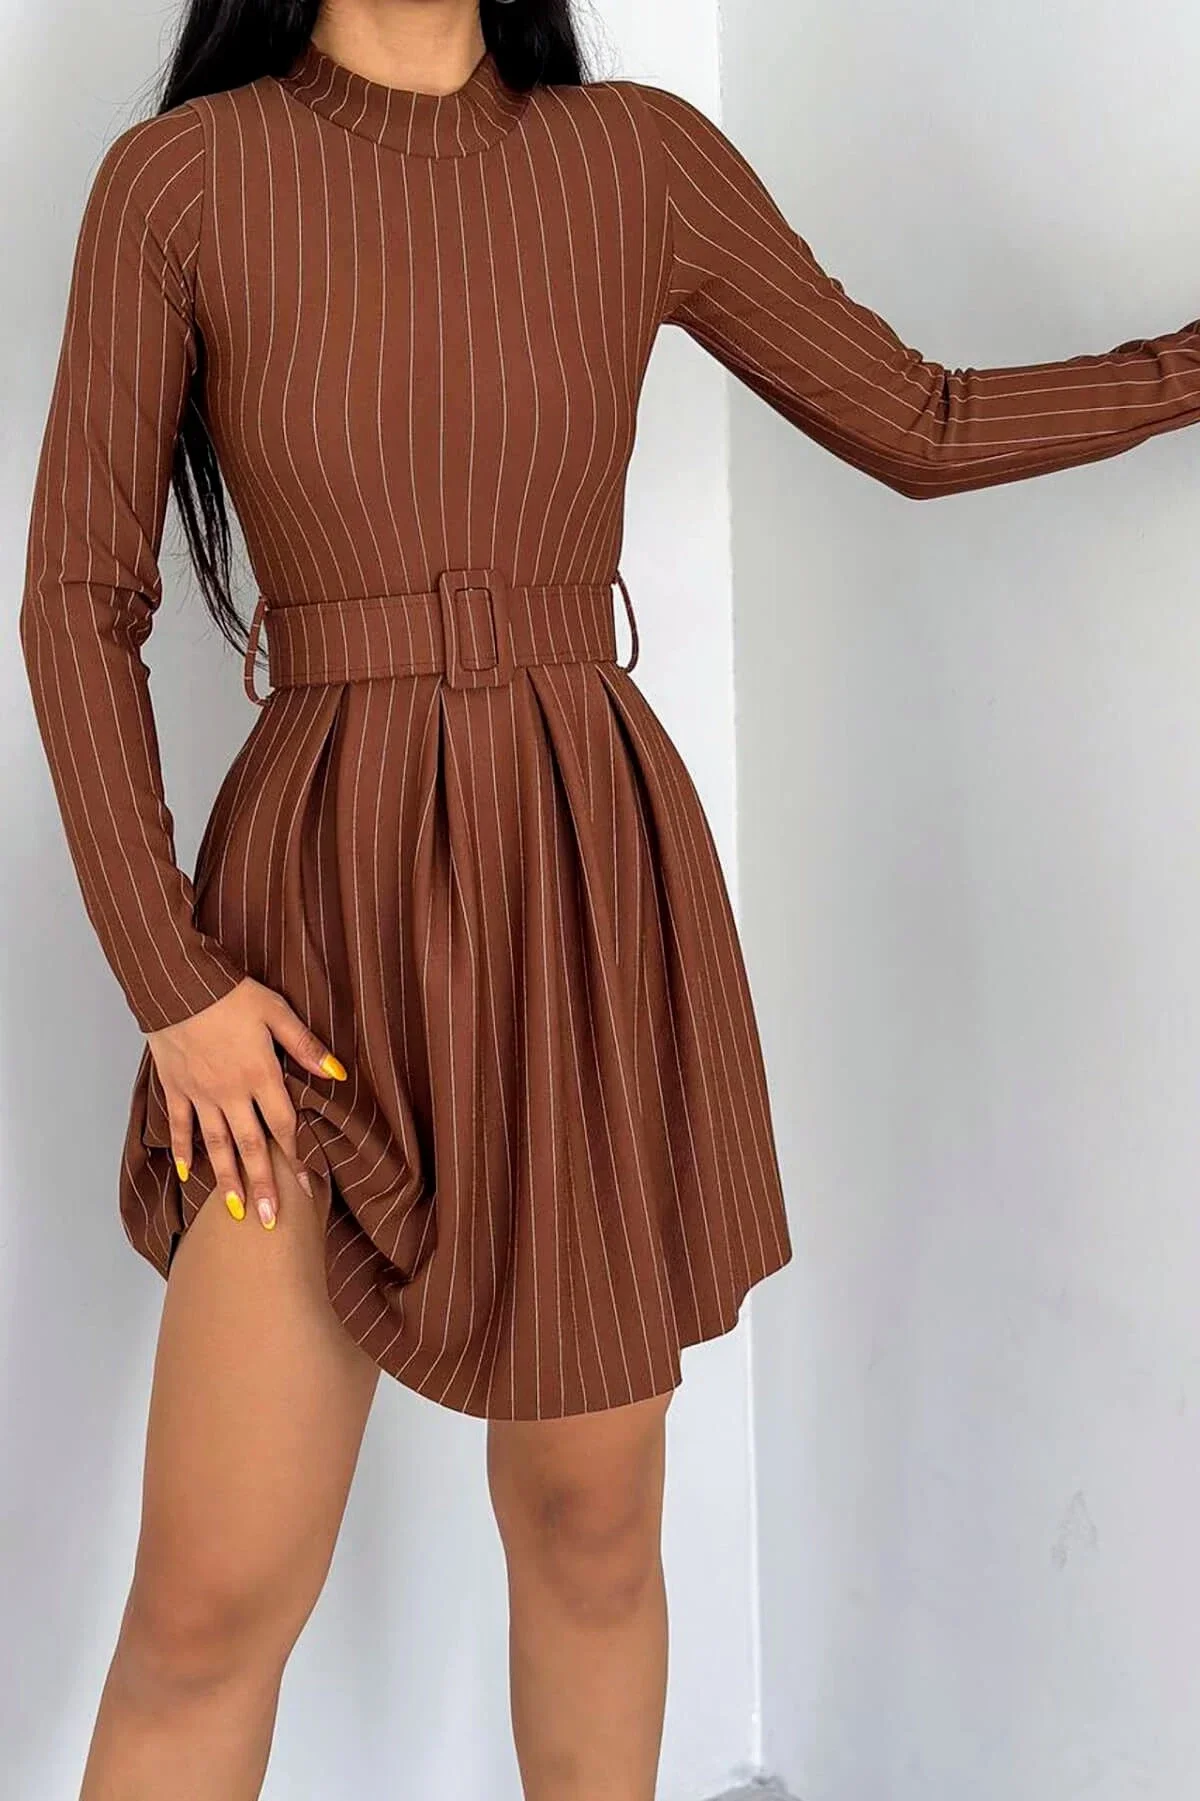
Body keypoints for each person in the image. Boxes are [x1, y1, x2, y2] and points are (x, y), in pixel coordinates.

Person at [18, 0, 1200, 1794]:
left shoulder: (632, 162)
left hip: (578, 896)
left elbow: (922, 420)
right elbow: (77, 603)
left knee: (590, 1529)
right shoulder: (180, 181)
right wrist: (170, 985)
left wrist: (1186, 368)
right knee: (206, 1608)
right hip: (302, 937)